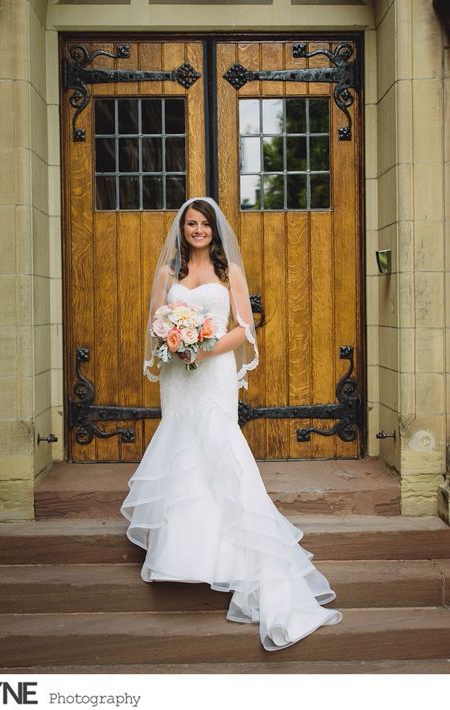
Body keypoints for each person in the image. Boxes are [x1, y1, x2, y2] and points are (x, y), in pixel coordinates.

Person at [120, 197, 342, 651]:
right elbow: (155, 325)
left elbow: (244, 329)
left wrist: (203, 347)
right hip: (180, 377)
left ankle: (238, 556)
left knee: (218, 449)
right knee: (182, 449)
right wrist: (174, 344)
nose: (197, 230)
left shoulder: (229, 275)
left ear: (214, 231)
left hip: (213, 371)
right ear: (182, 230)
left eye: (203, 224)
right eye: (190, 224)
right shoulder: (167, 275)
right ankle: (184, 553)